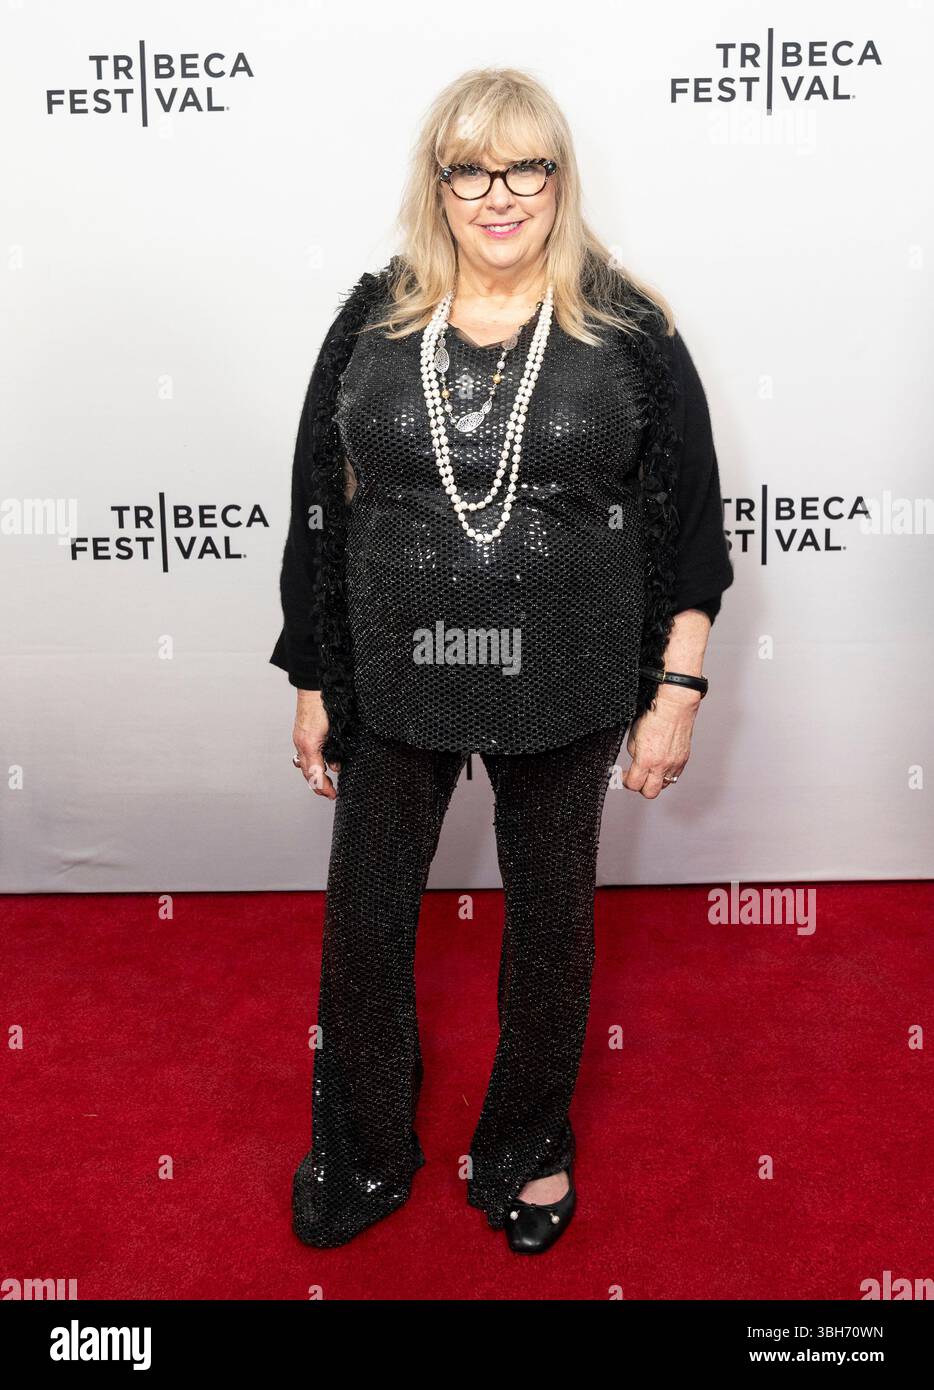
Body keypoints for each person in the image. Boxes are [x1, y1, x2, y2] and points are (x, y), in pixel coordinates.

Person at [270, 67, 734, 1253]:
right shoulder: (372, 317)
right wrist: (315, 675)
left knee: (551, 921)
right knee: (364, 924)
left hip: (569, 671)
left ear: (557, 178)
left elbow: (690, 526)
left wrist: (674, 689)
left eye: (524, 166)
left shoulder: (626, 325)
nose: (498, 194)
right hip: (394, 669)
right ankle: (365, 1147)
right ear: (439, 182)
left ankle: (527, 1147)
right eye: (469, 169)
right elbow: (315, 501)